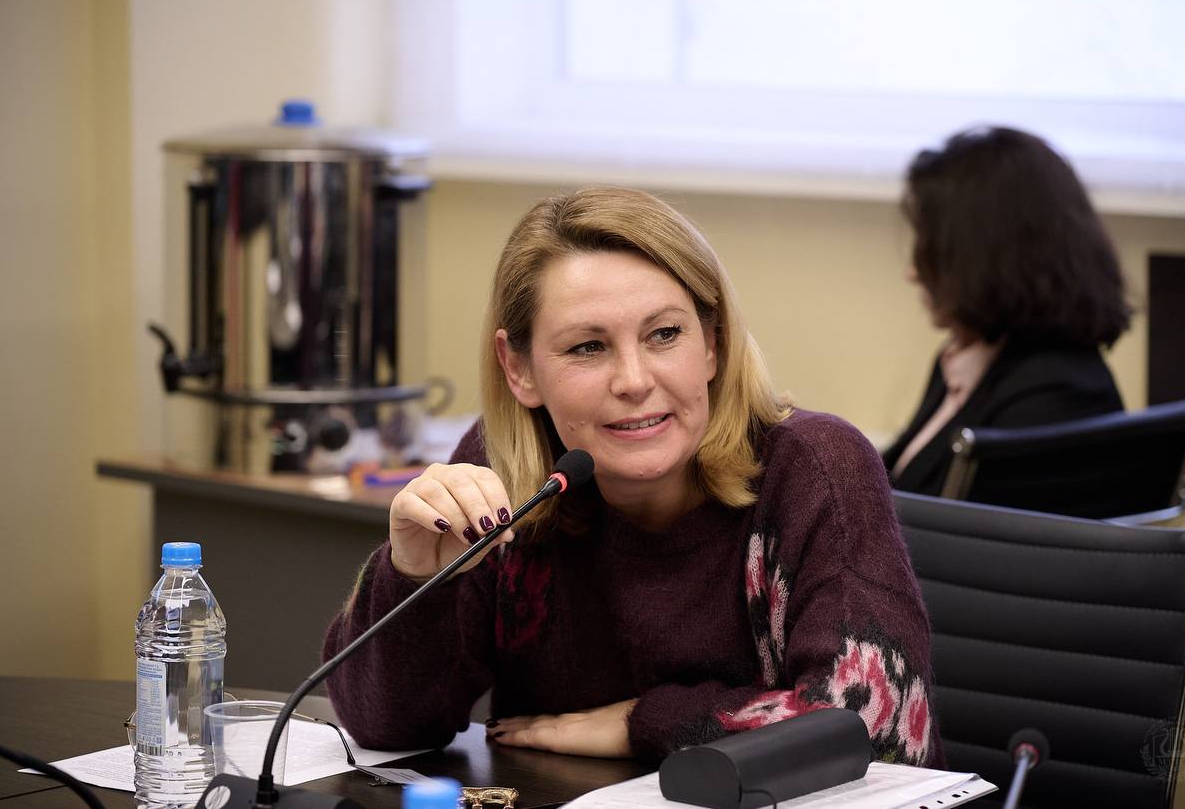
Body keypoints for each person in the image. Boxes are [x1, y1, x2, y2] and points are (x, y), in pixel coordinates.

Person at [324, 187, 941, 766]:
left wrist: (643, 723)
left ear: (712, 345)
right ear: (520, 369)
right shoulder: (506, 471)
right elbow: (387, 727)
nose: (634, 380)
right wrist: (412, 576)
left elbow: (876, 729)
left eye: (664, 335)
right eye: (587, 347)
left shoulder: (815, 466)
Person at [883, 126, 1133, 496]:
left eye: (932, 249)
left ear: (983, 257)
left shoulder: (1057, 397)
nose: (913, 272)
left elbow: (942, 523)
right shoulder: (964, 358)